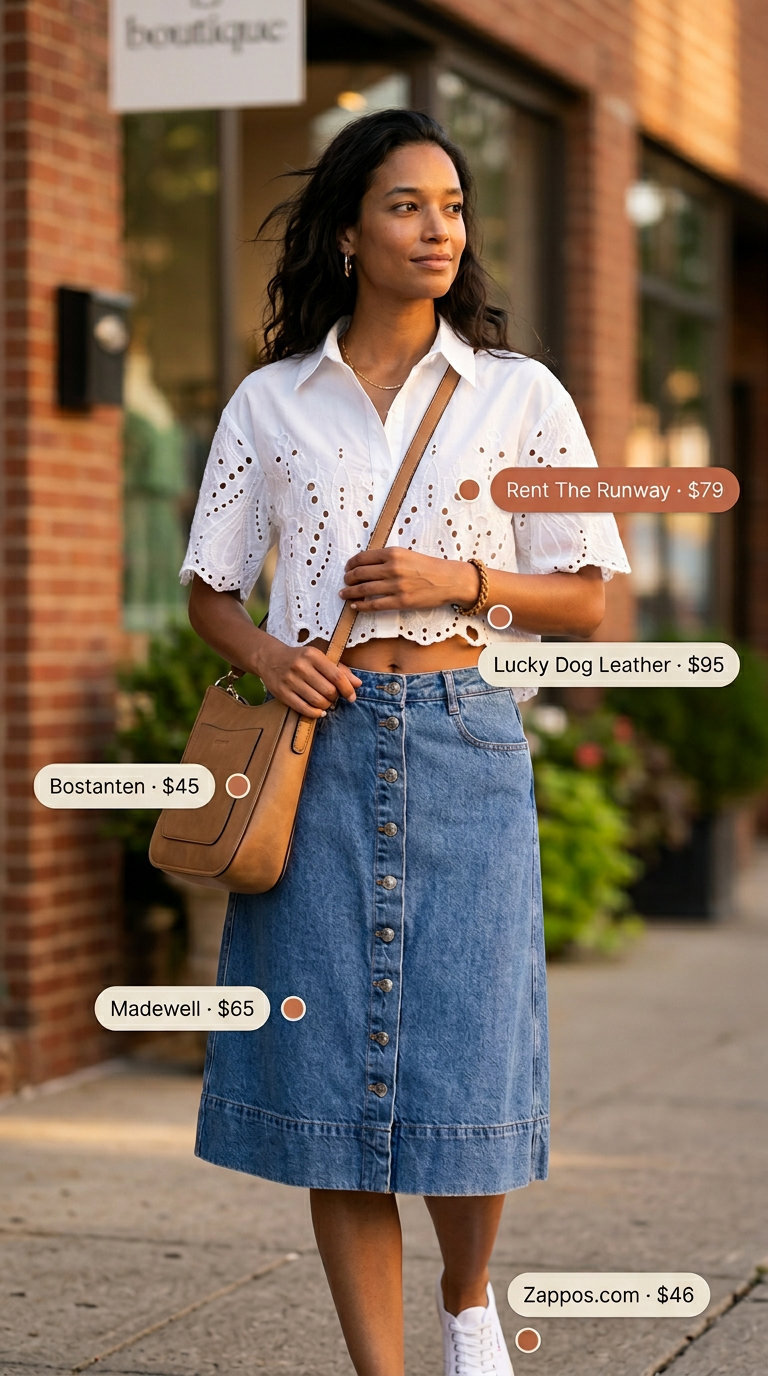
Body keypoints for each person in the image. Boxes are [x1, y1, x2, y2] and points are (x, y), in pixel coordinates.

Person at [180, 109, 630, 1376]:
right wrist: (270, 652)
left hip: (464, 739)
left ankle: (468, 1297)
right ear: (346, 231)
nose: (441, 229)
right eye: (407, 205)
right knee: (330, 1084)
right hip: (317, 753)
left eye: (454, 206)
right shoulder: (272, 402)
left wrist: (459, 575)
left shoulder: (519, 393)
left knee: (469, 1058)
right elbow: (211, 587)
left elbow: (586, 595)